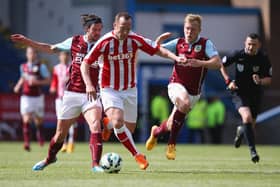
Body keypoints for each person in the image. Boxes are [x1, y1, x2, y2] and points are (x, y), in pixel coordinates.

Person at [81, 11, 187, 170]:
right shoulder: (105, 42)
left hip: (130, 89)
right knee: (119, 123)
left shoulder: (135, 39)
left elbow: (158, 49)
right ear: (115, 26)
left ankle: (107, 124)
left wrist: (176, 58)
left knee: (127, 130)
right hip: (109, 89)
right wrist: (89, 84)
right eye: (122, 28)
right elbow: (85, 63)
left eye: (128, 28)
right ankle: (138, 155)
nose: (125, 32)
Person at [11, 14, 105, 172]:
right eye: (95, 30)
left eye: (100, 30)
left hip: (91, 94)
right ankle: (50, 158)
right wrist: (28, 42)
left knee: (96, 126)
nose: (98, 33)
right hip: (72, 94)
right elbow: (50, 48)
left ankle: (95, 164)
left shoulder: (103, 45)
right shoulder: (74, 41)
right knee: (60, 134)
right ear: (87, 29)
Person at [145, 14, 221, 160]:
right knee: (184, 103)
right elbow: (157, 51)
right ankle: (171, 145)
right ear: (183, 28)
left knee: (170, 124)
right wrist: (158, 42)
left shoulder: (206, 44)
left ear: (199, 30)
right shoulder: (178, 43)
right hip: (176, 85)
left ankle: (156, 132)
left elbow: (217, 63)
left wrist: (201, 63)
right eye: (187, 28)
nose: (189, 32)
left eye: (193, 29)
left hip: (194, 93)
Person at [220, 33, 272, 163]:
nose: (250, 47)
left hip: (255, 95)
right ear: (245, 43)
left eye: (254, 45)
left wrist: (260, 80)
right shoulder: (238, 54)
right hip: (239, 93)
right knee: (247, 117)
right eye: (249, 44)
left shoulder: (263, 58)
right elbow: (221, 65)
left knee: (250, 124)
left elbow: (269, 80)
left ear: (258, 45)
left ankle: (241, 130)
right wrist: (228, 82)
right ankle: (253, 151)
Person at [13, 46, 50, 151]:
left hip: (37, 97)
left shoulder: (41, 66)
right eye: (29, 53)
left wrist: (37, 82)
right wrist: (18, 86)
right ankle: (27, 143)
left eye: (33, 53)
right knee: (26, 119)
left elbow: (48, 80)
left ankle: (40, 134)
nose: (31, 55)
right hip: (26, 96)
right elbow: (23, 77)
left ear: (36, 54)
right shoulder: (23, 66)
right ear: (26, 54)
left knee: (38, 120)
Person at [49, 51, 77, 153]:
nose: (64, 57)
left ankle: (71, 142)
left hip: (70, 97)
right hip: (59, 98)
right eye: (62, 55)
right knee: (61, 121)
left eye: (66, 55)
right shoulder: (56, 68)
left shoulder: (72, 67)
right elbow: (54, 81)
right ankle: (63, 144)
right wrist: (52, 87)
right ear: (59, 57)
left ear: (68, 57)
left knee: (72, 122)